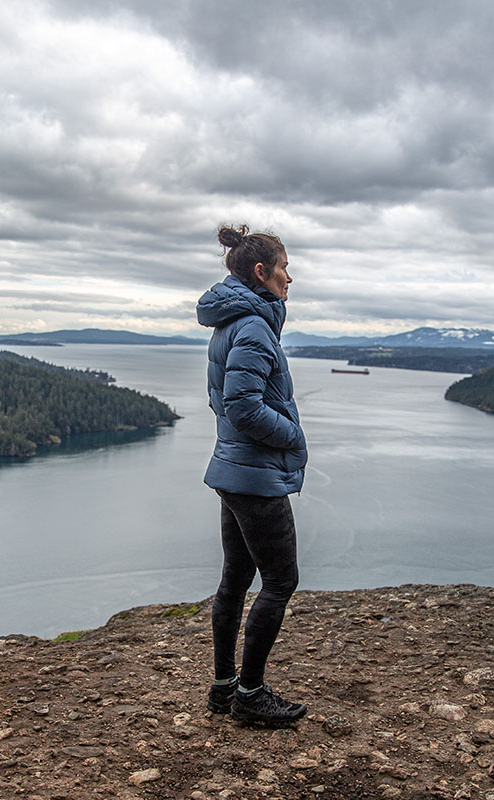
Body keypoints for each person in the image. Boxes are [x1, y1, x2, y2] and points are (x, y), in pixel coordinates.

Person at [196, 224, 308, 726]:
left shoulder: (233, 320)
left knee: (236, 580)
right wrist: (292, 435)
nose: (292, 277)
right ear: (261, 273)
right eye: (285, 267)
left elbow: (222, 400)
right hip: (255, 476)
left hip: (233, 468)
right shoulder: (255, 325)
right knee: (280, 580)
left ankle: (223, 687)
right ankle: (250, 694)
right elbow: (242, 406)